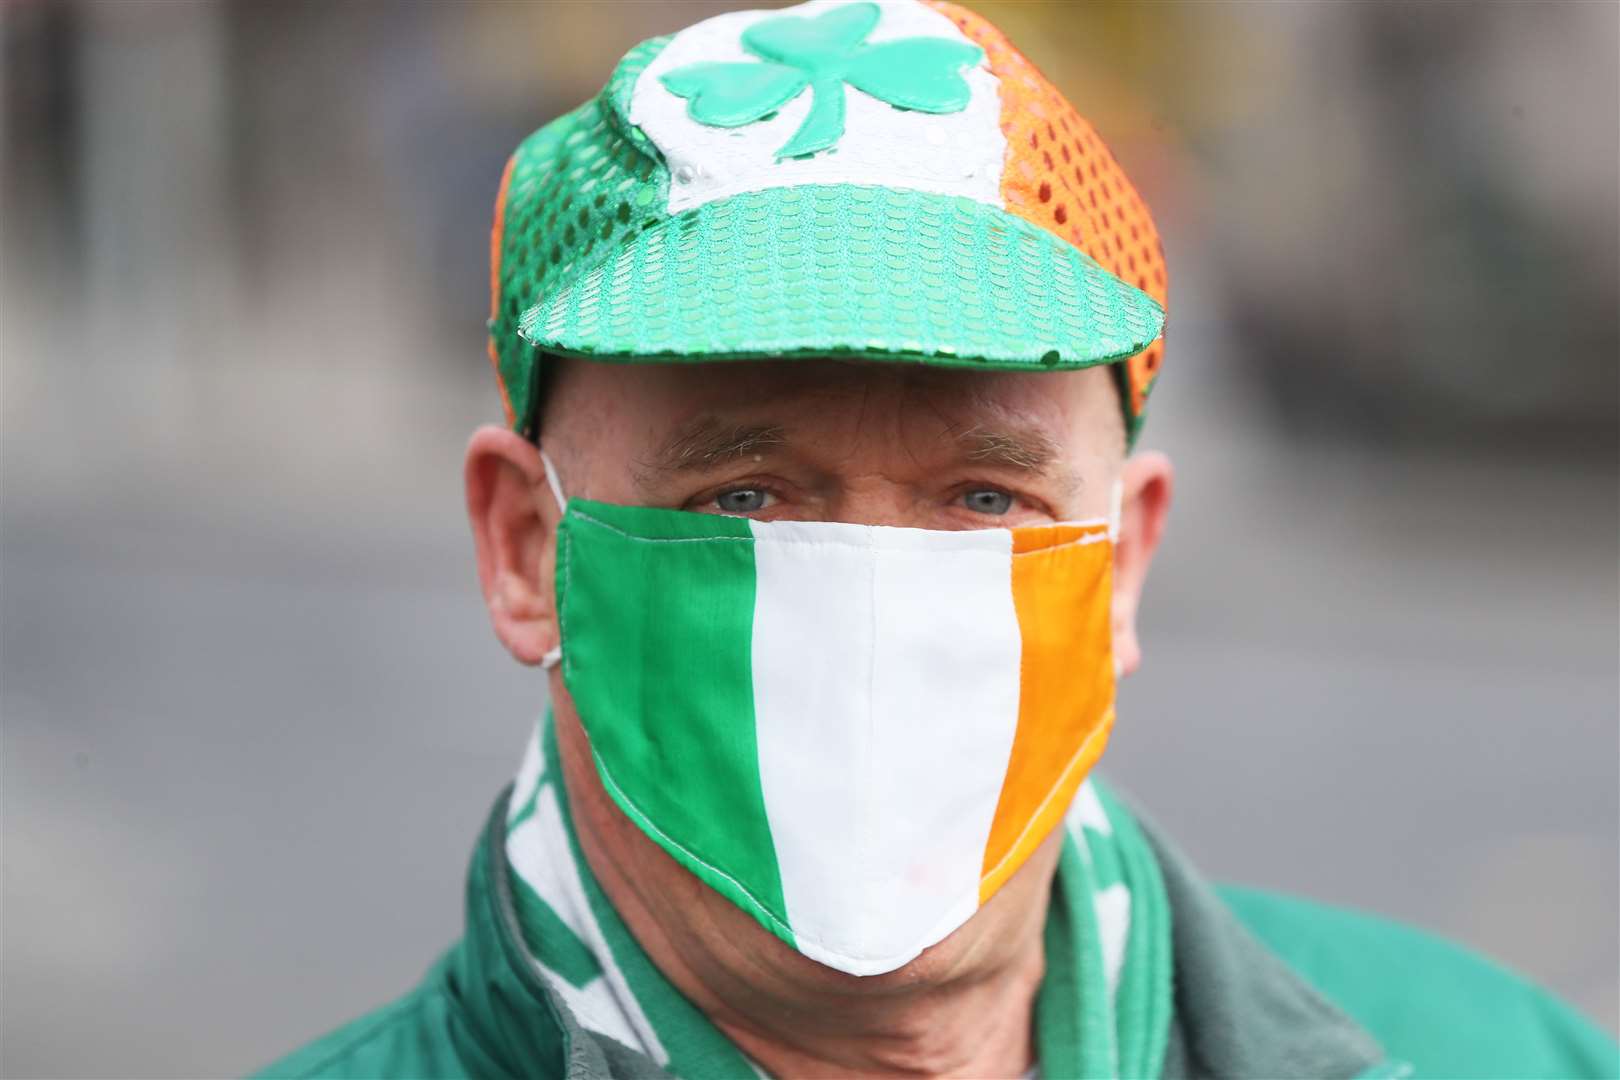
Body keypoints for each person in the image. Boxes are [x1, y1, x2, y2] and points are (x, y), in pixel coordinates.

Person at [261, 2, 1619, 1077]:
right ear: (520, 547)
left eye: (985, 500)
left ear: (1126, 557)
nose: (871, 614)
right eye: (744, 495)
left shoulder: (1503, 1059)